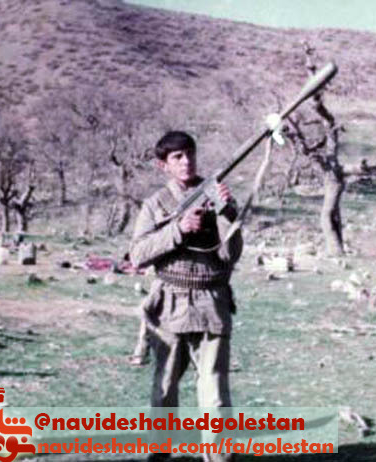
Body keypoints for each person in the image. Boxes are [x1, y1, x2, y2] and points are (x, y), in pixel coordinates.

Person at [129, 131, 243, 460]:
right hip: (169, 303)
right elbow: (137, 254)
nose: (186, 161)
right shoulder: (155, 204)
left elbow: (231, 254)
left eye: (190, 153)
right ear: (162, 165)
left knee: (214, 389)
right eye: (177, 156)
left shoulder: (216, 195)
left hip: (211, 302)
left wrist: (227, 213)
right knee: (164, 386)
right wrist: (178, 229)